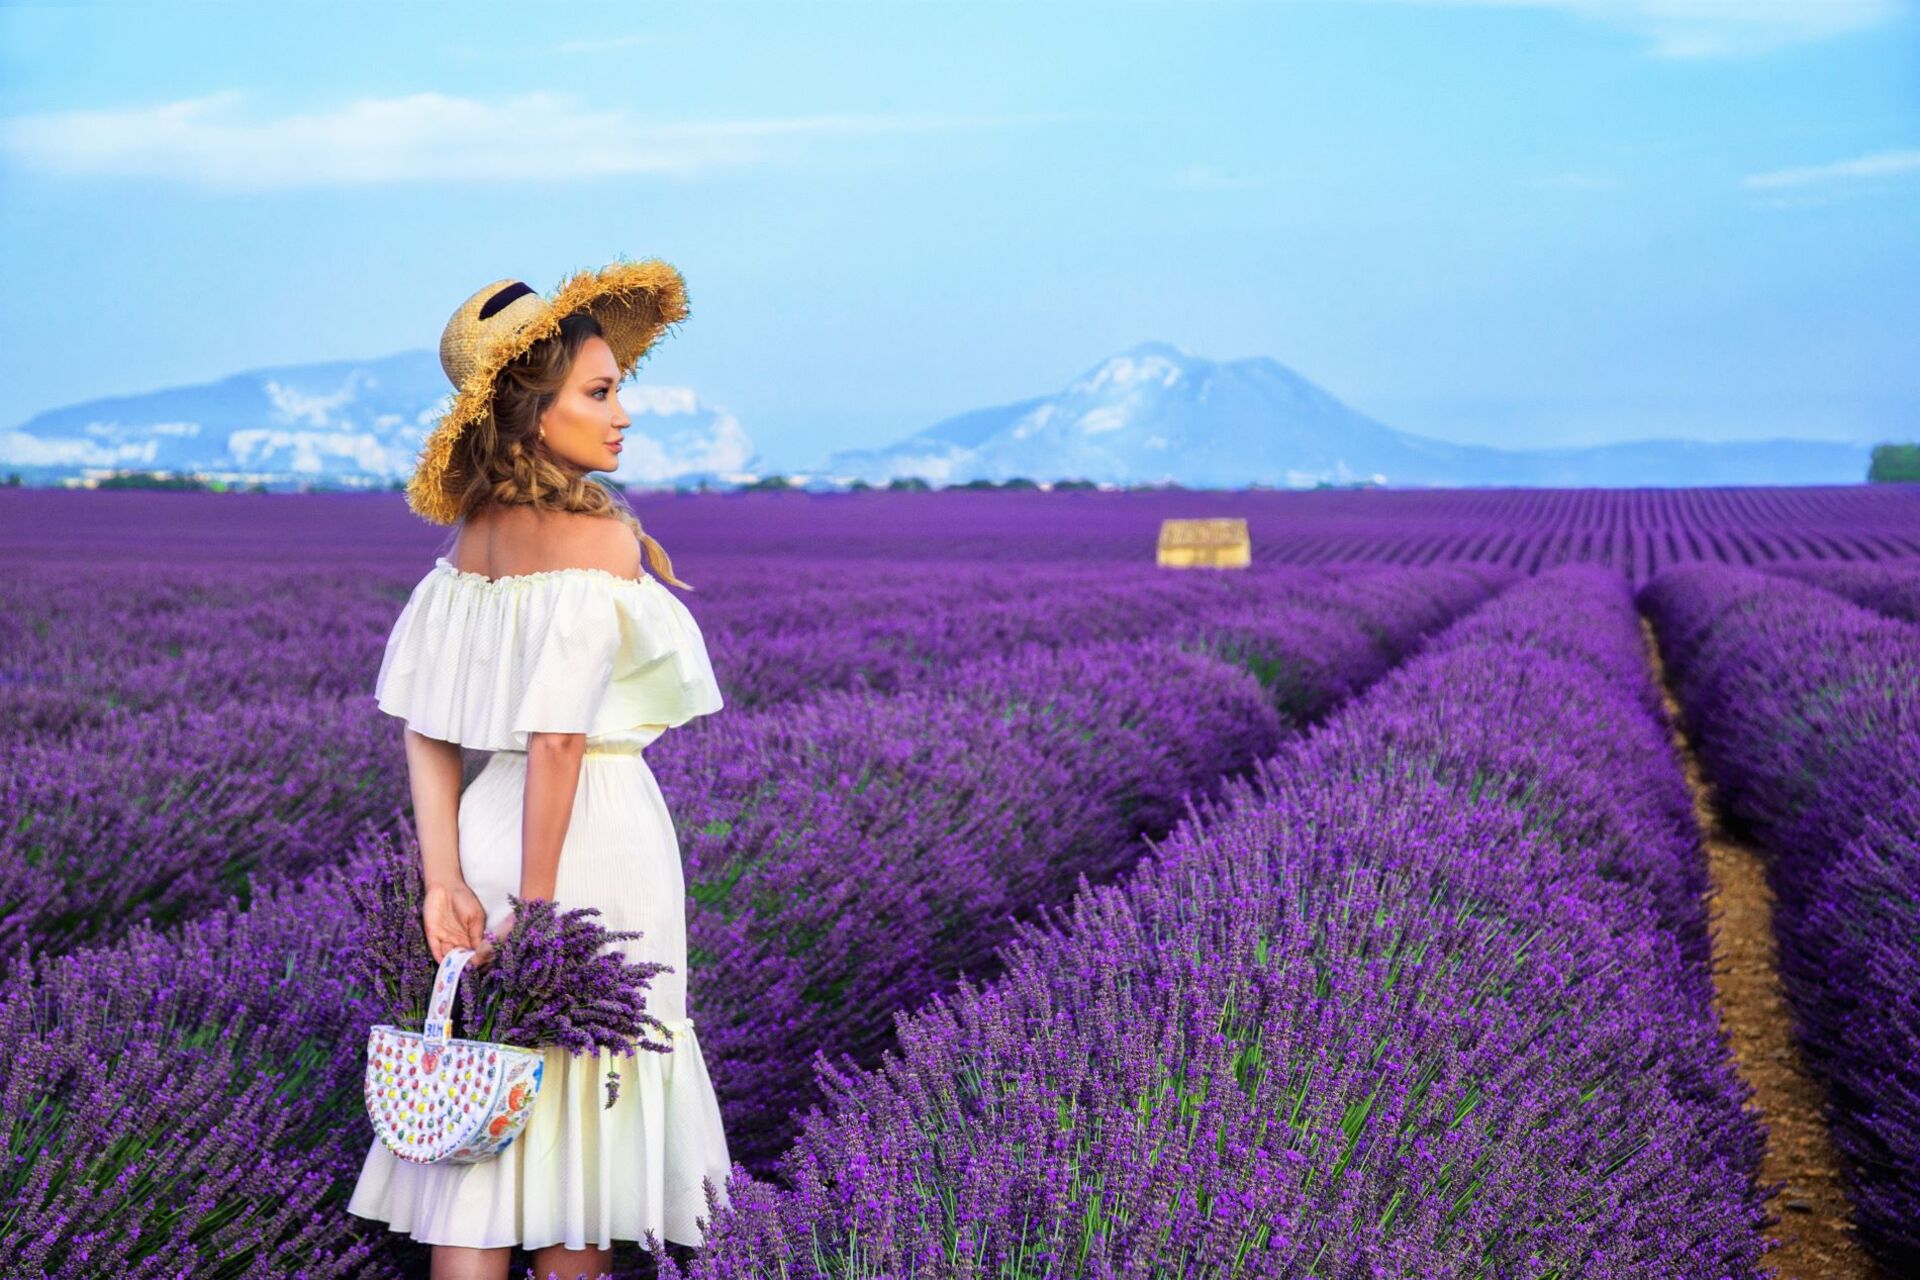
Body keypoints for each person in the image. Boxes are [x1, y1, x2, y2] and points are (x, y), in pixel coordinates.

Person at [346, 261, 733, 1280]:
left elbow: (426, 729)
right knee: (583, 1140)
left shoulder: (469, 543)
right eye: (600, 393)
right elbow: (562, 736)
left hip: (483, 828)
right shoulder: (602, 535)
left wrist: (446, 880)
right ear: (530, 413)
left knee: (477, 1122)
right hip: (591, 837)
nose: (624, 415)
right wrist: (547, 909)